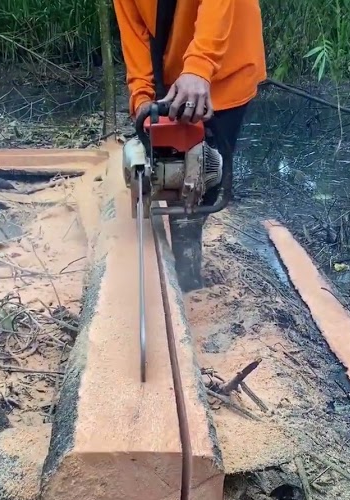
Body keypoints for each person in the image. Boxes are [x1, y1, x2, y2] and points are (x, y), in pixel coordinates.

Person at [112, 0, 266, 291]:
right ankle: (185, 272)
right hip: (175, 73)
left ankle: (189, 269)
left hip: (229, 59)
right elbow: (134, 33)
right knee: (175, 172)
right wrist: (142, 99)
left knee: (206, 179)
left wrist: (199, 67)